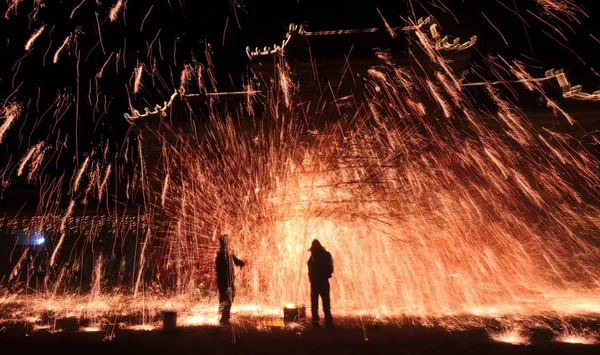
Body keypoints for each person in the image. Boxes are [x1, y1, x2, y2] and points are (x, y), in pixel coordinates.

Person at [215, 234, 245, 325]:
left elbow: (236, 261)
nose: (226, 243)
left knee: (229, 297)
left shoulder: (229, 252)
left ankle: (224, 317)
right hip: (224, 281)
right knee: (226, 298)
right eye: (225, 242)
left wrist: (242, 263)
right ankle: (224, 319)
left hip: (229, 280)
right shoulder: (220, 255)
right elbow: (218, 269)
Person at [307, 239, 334, 328]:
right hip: (322, 283)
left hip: (317, 283)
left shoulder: (312, 259)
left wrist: (313, 280)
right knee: (325, 304)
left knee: (315, 305)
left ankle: (316, 323)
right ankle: (327, 323)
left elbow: (310, 272)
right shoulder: (326, 255)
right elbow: (330, 268)